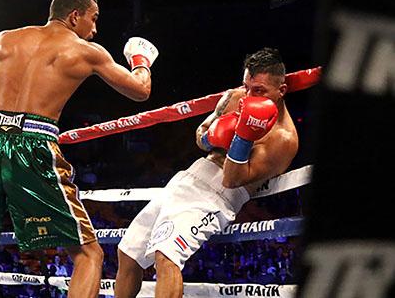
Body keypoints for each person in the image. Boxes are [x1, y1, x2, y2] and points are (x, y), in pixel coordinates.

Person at [0, 0, 158, 298]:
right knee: (88, 255)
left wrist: (10, 111)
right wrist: (141, 60)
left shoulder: (4, 38)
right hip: (34, 144)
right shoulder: (86, 51)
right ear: (74, 16)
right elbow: (140, 90)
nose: (94, 30)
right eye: (93, 19)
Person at [114, 47, 298, 298]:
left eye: (259, 91)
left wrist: (242, 136)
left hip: (217, 195)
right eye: (247, 87)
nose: (249, 96)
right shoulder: (235, 97)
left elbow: (231, 179)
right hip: (188, 177)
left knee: (167, 255)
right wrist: (213, 137)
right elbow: (200, 134)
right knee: (128, 253)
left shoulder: (283, 138)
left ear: (282, 90)